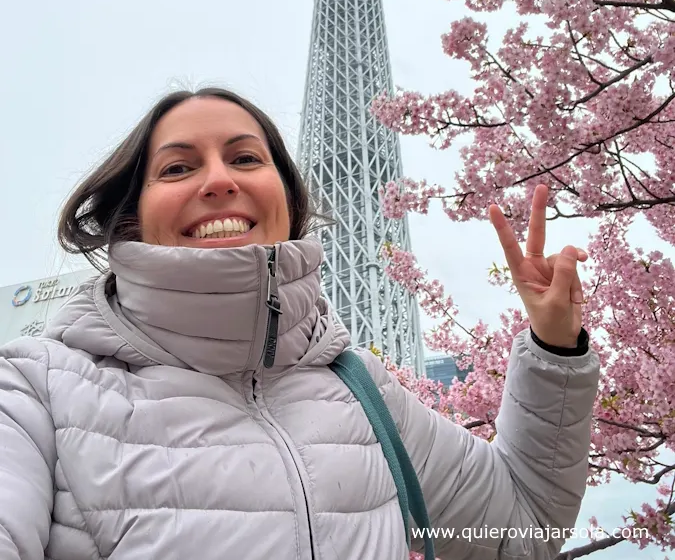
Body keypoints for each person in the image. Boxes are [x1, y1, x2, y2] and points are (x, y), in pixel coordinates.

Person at [0, 87, 599, 560]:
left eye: (245, 158)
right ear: (128, 217)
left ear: (288, 201)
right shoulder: (36, 394)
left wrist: (555, 347)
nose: (219, 180)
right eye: (178, 168)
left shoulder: (363, 393)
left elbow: (522, 524)